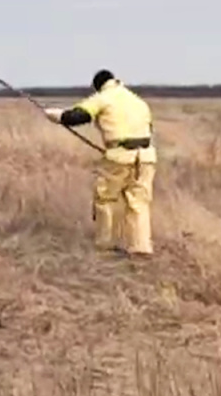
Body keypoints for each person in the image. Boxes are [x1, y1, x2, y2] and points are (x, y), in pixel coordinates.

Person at [44, 69, 157, 257]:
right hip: (146, 157)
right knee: (138, 202)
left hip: (118, 157)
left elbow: (76, 117)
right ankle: (140, 248)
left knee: (107, 199)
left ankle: (106, 245)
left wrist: (55, 115)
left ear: (98, 85)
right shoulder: (138, 101)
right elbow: (148, 129)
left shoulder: (103, 97)